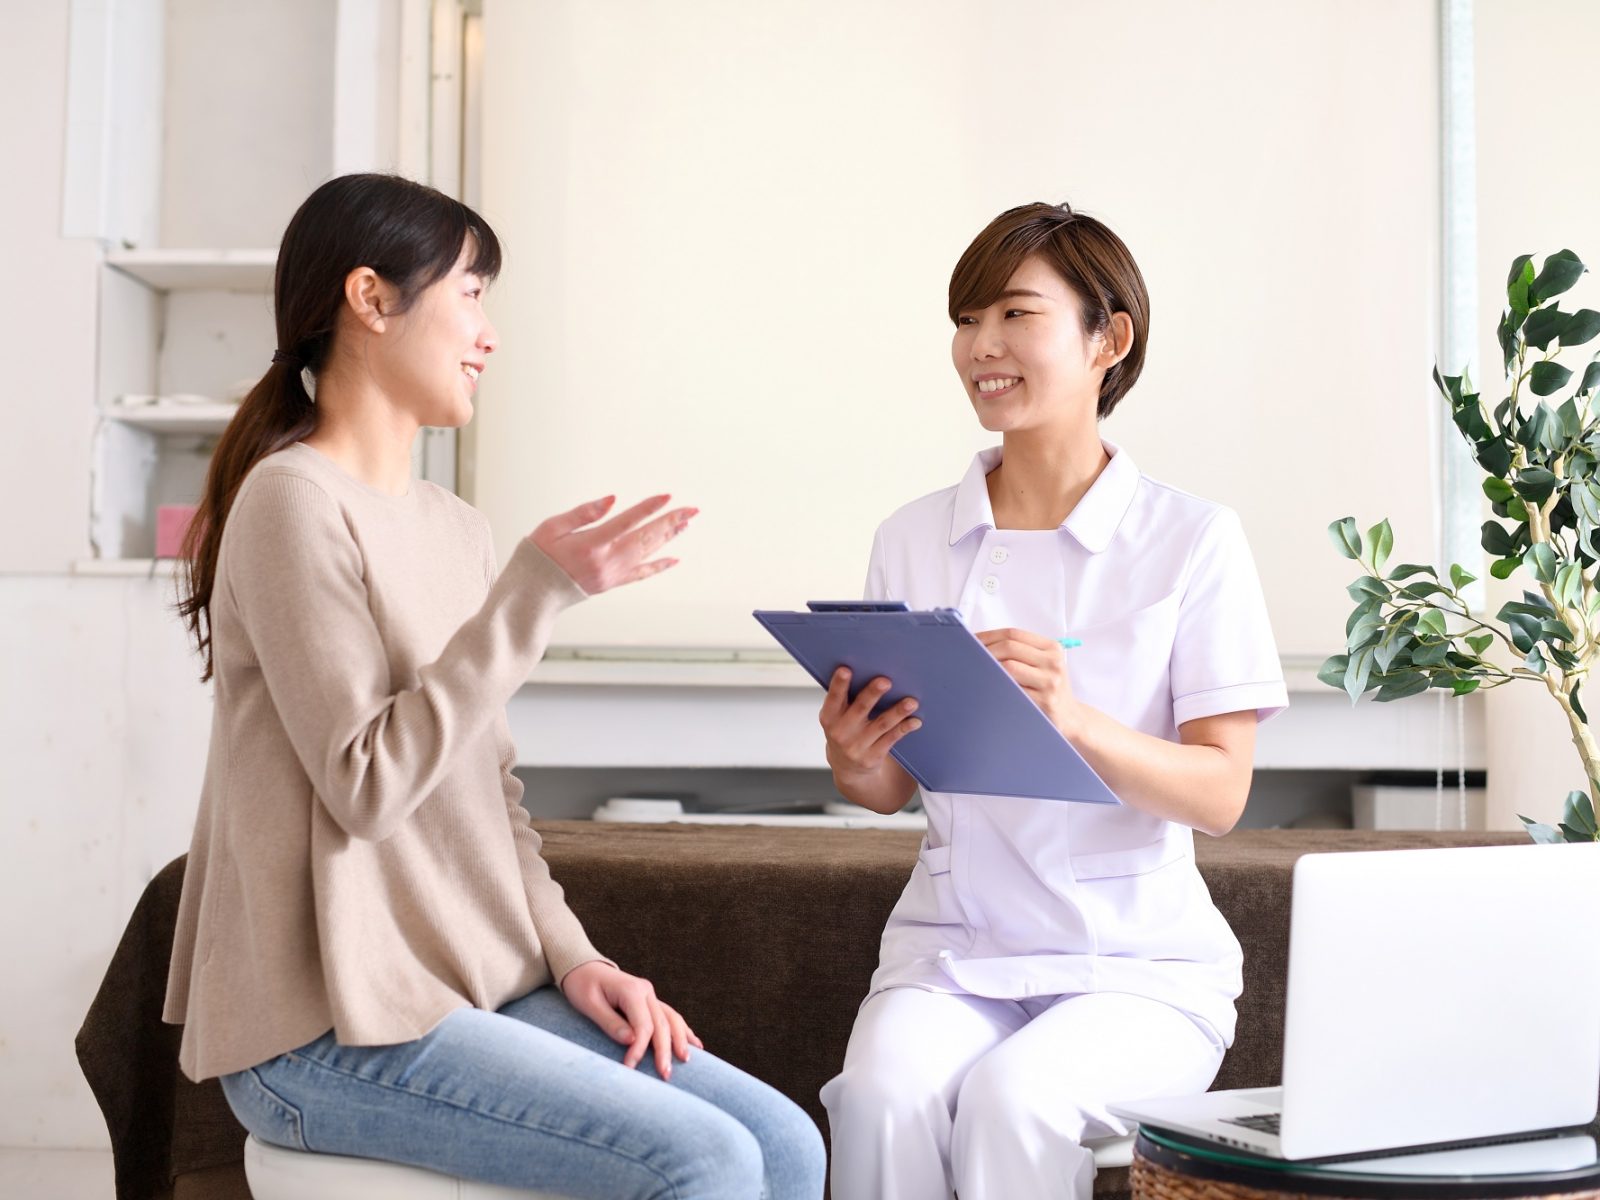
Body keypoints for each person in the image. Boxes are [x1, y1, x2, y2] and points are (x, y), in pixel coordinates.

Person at [164, 173, 825, 1200]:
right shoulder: (290, 501)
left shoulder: (455, 528)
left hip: (463, 990)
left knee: (786, 1147)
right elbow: (366, 784)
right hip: (319, 1030)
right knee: (708, 1161)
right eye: (470, 293)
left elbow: (489, 797)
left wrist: (576, 958)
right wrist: (536, 593)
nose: (489, 334)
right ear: (370, 299)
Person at [817, 202, 1289, 1200]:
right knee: (880, 1098)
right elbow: (886, 788)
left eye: (1014, 314)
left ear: (1107, 340)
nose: (980, 346)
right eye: (966, 319)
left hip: (1136, 967)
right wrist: (855, 755)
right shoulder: (911, 538)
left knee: (1014, 1102)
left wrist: (1073, 720)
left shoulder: (1191, 539)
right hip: (955, 953)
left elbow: (1220, 792)